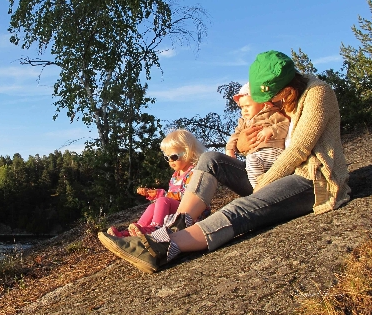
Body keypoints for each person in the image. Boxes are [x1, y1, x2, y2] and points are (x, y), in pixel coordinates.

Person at [98, 50, 351, 273]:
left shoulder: (318, 94)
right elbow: (244, 135)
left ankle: (162, 247)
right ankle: (177, 224)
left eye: (271, 102)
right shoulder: (281, 92)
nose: (268, 107)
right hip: (272, 173)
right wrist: (241, 145)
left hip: (312, 180)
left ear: (286, 91)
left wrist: (262, 186)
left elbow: (299, 150)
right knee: (210, 159)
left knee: (241, 208)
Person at [107, 129, 208, 238]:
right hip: (178, 210)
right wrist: (158, 194)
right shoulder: (175, 176)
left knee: (162, 200)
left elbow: (188, 196)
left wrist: (162, 196)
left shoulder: (194, 173)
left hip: (192, 213)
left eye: (174, 157)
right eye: (167, 157)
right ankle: (133, 231)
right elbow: (171, 196)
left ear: (188, 153)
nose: (170, 160)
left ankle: (156, 227)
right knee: (153, 206)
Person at [226, 82, 290, 188]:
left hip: (275, 151)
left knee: (278, 175)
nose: (244, 110)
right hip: (256, 156)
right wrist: (230, 149)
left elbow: (286, 125)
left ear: (263, 103)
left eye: (247, 106)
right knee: (251, 163)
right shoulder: (244, 122)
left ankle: (267, 189)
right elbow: (235, 135)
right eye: (241, 107)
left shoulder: (273, 114)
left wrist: (271, 130)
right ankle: (259, 189)